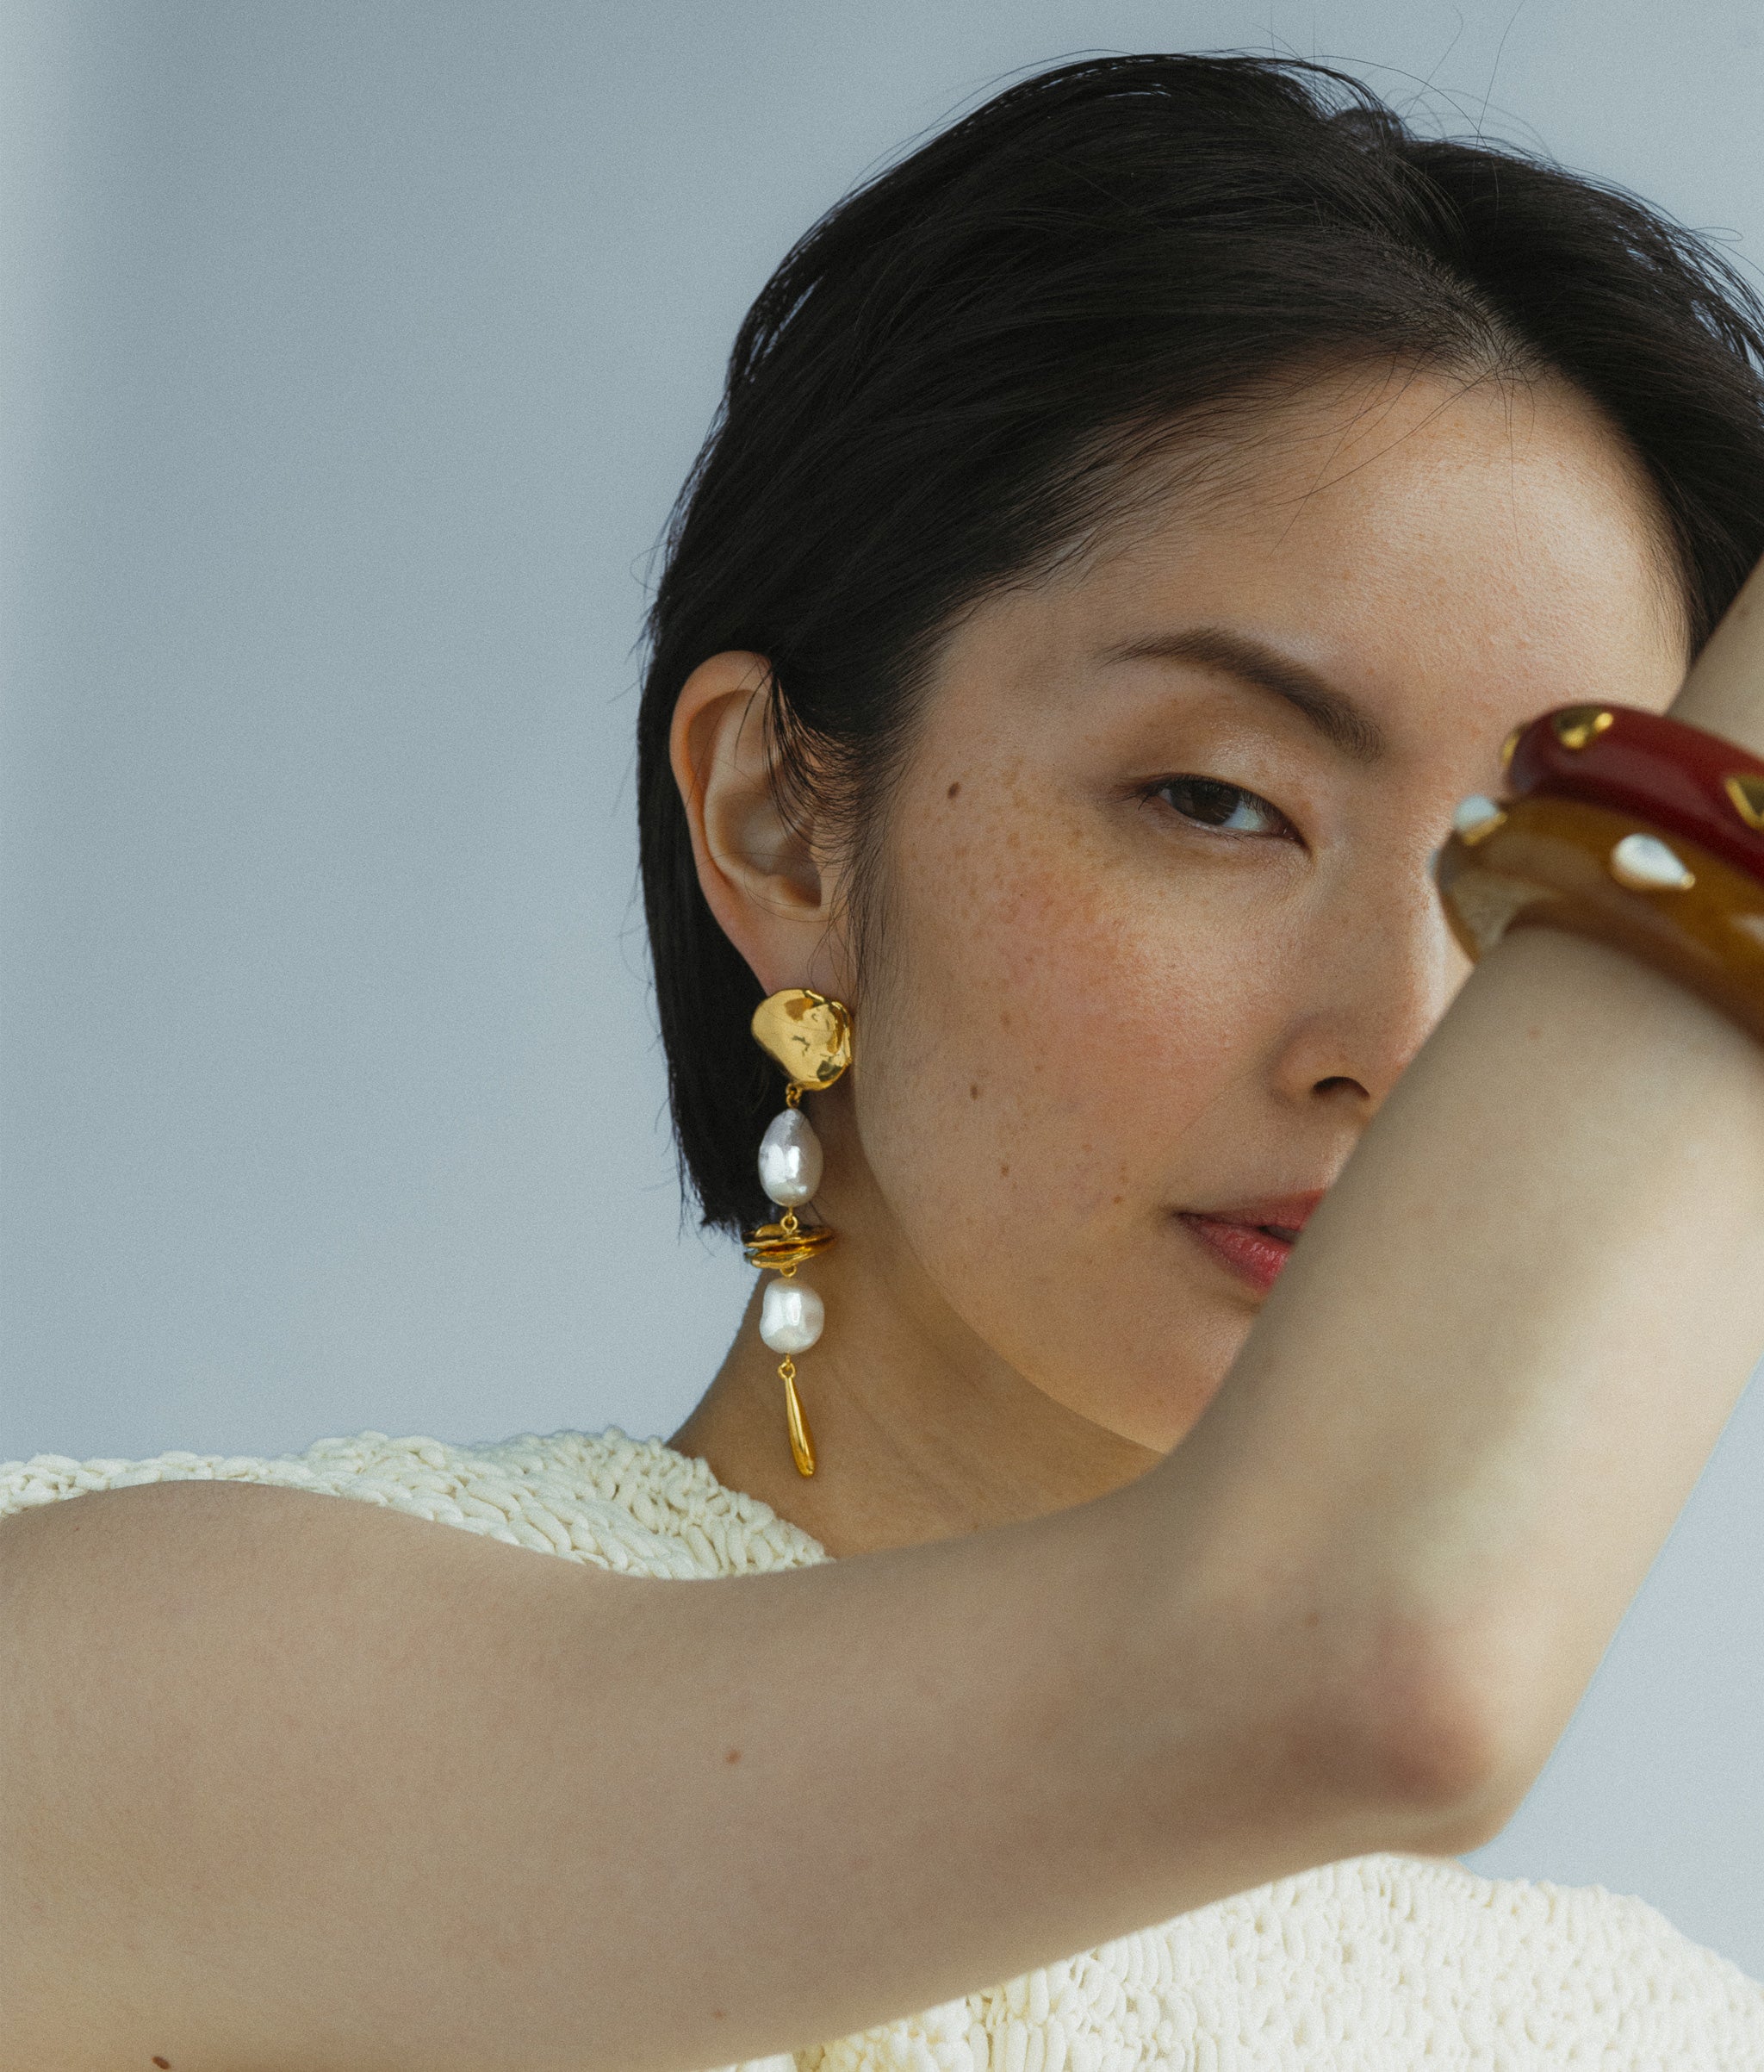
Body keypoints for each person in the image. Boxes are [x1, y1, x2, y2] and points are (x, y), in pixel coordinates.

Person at [6, 50, 1764, 2070]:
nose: (1403, 1043)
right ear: (778, 817)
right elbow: (1352, 1663)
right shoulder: (125, 1698)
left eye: (1531, 904)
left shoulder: (1632, 2031)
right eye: (1217, 799)